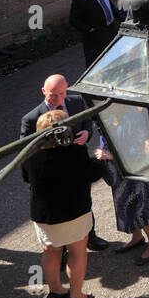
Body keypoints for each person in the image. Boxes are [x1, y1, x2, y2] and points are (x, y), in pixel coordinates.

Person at [21, 110, 106, 298]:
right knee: (77, 253)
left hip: (44, 216)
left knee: (50, 252)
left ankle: (56, 290)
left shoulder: (30, 154)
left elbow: (26, 177)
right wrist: (100, 160)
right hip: (73, 213)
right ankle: (77, 295)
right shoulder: (74, 152)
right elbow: (91, 174)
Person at [20, 75, 110, 251]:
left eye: (62, 93)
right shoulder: (30, 119)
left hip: (75, 163)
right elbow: (26, 152)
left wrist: (86, 133)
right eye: (53, 95)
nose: (58, 99)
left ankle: (89, 236)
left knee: (84, 202)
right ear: (43, 91)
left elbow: (86, 121)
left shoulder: (75, 102)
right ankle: (60, 252)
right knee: (56, 211)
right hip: (50, 173)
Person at [94, 119, 149, 267]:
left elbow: (139, 151)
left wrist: (110, 155)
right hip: (118, 175)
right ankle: (137, 237)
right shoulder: (104, 119)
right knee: (126, 206)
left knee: (140, 209)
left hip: (133, 173)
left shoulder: (130, 121)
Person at [69, 0, 119, 67]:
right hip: (96, 35)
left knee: (113, 55)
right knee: (97, 61)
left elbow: (109, 6)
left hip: (111, 28)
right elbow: (73, 19)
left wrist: (120, 19)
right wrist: (90, 30)